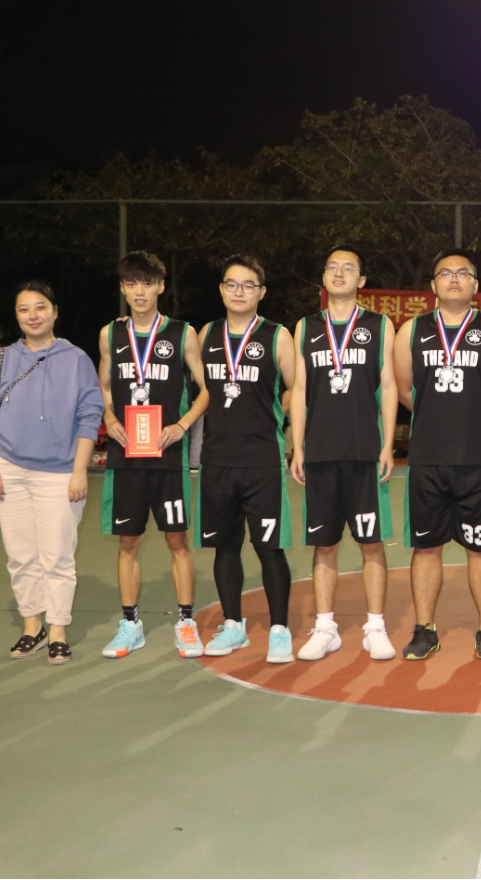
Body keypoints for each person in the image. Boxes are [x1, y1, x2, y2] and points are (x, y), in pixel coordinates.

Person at [394, 249, 481, 661]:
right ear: (433, 284)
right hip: (427, 457)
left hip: (476, 457)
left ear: (475, 285)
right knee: (426, 547)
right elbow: (404, 389)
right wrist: (434, 411)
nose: (453, 278)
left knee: (480, 547)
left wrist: (475, 409)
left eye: (463, 273)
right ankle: (424, 629)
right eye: (445, 273)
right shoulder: (412, 330)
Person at [0, 281, 103, 664]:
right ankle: (33, 626)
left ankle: (58, 629)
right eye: (24, 309)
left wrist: (79, 471)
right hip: (9, 469)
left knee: (57, 556)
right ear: (17, 316)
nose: (33, 315)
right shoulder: (0, 359)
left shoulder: (76, 359)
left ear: (55, 312)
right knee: (20, 556)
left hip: (59, 473)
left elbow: (89, 414)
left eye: (41, 307)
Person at [95, 252, 211, 660]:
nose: (139, 291)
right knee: (128, 541)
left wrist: (182, 425)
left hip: (168, 454)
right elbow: (103, 385)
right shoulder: (110, 334)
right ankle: (131, 624)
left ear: (161, 286)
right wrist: (109, 416)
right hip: (126, 454)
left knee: (177, 539)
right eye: (131, 283)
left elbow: (206, 390)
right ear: (123, 288)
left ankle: (185, 621)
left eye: (147, 283)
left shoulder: (183, 333)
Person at [290, 245, 399, 662]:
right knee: (325, 544)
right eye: (332, 267)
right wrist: (297, 446)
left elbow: (388, 385)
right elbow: (299, 389)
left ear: (361, 280)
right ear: (323, 277)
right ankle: (325, 628)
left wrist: (387, 444)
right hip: (320, 451)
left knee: (372, 542)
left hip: (364, 451)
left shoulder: (379, 324)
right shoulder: (306, 326)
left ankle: (375, 627)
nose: (339, 273)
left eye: (348, 268)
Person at [196, 256, 299, 663]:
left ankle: (279, 629)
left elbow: (296, 388)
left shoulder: (277, 336)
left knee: (269, 547)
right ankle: (233, 625)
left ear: (262, 292)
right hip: (217, 459)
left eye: (248, 285)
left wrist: (281, 420)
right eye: (232, 284)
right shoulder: (207, 334)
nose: (239, 291)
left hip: (262, 459)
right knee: (225, 547)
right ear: (222, 289)